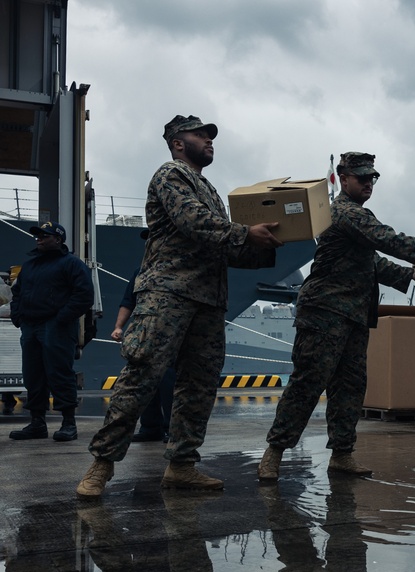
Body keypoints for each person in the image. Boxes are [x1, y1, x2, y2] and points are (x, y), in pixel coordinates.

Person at [75, 114, 283, 497]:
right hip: (167, 294)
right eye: (200, 134)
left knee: (198, 386)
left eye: (210, 135)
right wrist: (243, 232)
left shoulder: (210, 190)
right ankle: (101, 466)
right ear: (176, 142)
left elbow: (223, 246)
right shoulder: (170, 176)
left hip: (208, 301)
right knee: (141, 375)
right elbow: (193, 222)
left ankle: (182, 465)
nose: (209, 140)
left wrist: (269, 245)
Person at [256, 152, 415, 481]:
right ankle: (274, 453)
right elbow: (386, 238)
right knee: (307, 385)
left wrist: (410, 275)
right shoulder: (344, 212)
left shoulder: (355, 217)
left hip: (353, 315)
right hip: (325, 312)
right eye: (362, 178)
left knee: (351, 387)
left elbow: (370, 263)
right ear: (344, 179)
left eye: (373, 178)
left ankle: (342, 454)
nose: (369, 183)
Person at [8, 222, 93, 442]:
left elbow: (84, 296)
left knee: (60, 373)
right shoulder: (29, 266)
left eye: (45, 236)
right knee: (32, 375)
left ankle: (68, 424)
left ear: (58, 239)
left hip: (57, 327)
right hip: (31, 327)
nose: (39, 239)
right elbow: (16, 293)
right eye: (38, 236)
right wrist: (19, 317)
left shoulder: (71, 264)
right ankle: (37, 423)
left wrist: (61, 319)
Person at [112, 236, 175, 443]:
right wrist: (118, 327)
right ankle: (150, 427)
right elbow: (128, 301)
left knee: (169, 383)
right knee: (144, 382)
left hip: (170, 337)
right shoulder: (140, 273)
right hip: (143, 337)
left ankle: (171, 429)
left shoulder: (180, 271)